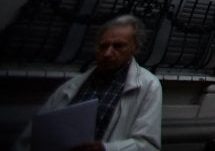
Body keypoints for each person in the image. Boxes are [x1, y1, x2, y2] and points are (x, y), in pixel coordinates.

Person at [12, 15, 162, 151]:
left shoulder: (148, 86)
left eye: (118, 46)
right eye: (103, 46)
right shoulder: (72, 86)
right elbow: (33, 136)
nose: (108, 53)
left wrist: (106, 149)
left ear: (134, 48)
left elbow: (148, 145)